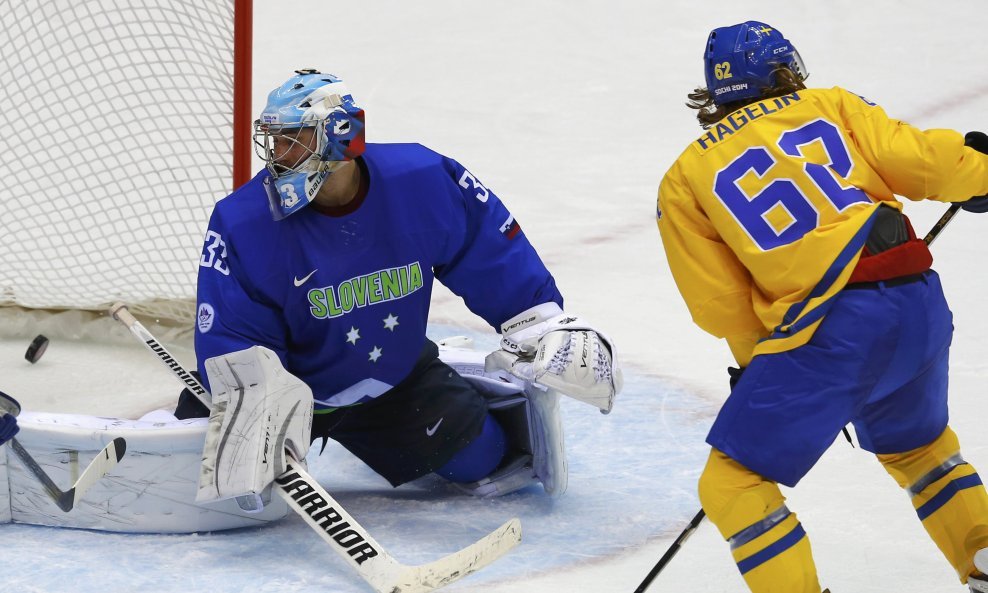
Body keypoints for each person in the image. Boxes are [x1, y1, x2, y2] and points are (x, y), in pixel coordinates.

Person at [182, 69, 621, 505]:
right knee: (196, 478)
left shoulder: (421, 180)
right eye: (275, 139)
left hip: (390, 379)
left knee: (485, 462)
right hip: (290, 391)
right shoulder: (243, 221)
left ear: (340, 136)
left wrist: (539, 319)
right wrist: (256, 411)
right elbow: (234, 329)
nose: (278, 153)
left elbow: (482, 245)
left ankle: (459, 377)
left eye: (293, 139)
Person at [656, 21, 988, 593]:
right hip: (918, 306)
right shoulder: (829, 104)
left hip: (835, 333)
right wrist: (978, 169)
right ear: (784, 70)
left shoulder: (683, 178)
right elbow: (921, 161)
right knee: (922, 448)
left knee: (732, 485)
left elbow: (720, 304)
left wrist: (760, 362)